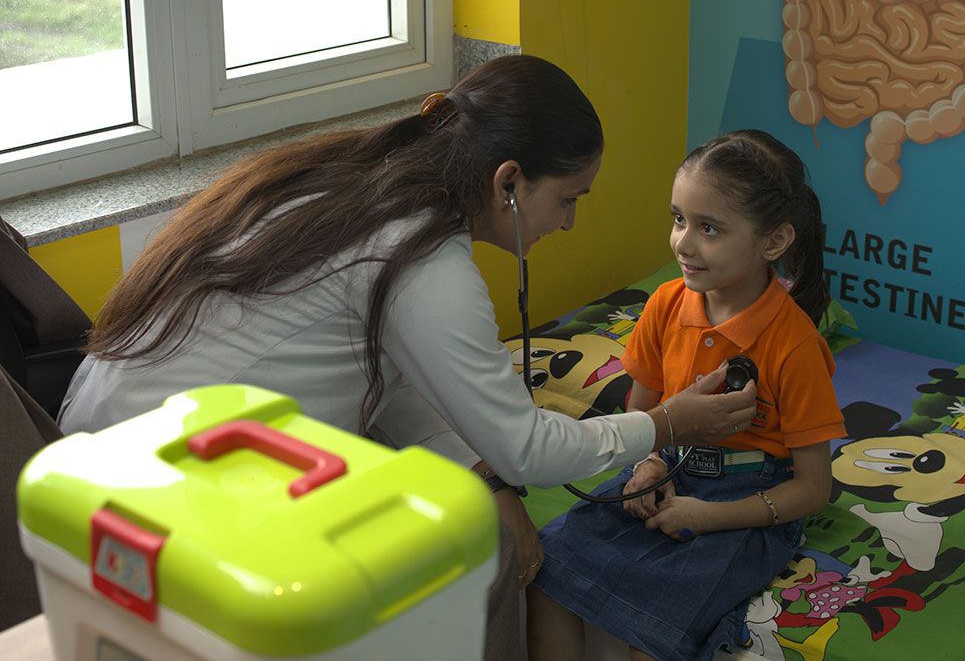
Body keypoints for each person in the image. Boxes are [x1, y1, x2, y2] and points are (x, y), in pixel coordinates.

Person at [58, 56, 759, 660]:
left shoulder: (362, 182)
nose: (568, 222)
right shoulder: (427, 259)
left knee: (481, 531)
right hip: (151, 484)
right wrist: (668, 423)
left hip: (104, 437)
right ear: (508, 182)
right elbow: (532, 450)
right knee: (474, 561)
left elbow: (395, 373)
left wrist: (487, 478)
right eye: (566, 198)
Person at [526, 129, 847, 661]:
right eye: (679, 219)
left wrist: (709, 516)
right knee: (548, 568)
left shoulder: (795, 346)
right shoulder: (664, 306)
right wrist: (649, 463)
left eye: (710, 228)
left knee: (648, 630)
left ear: (773, 242)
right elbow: (643, 411)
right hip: (669, 464)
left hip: (746, 500)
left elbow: (813, 488)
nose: (683, 243)